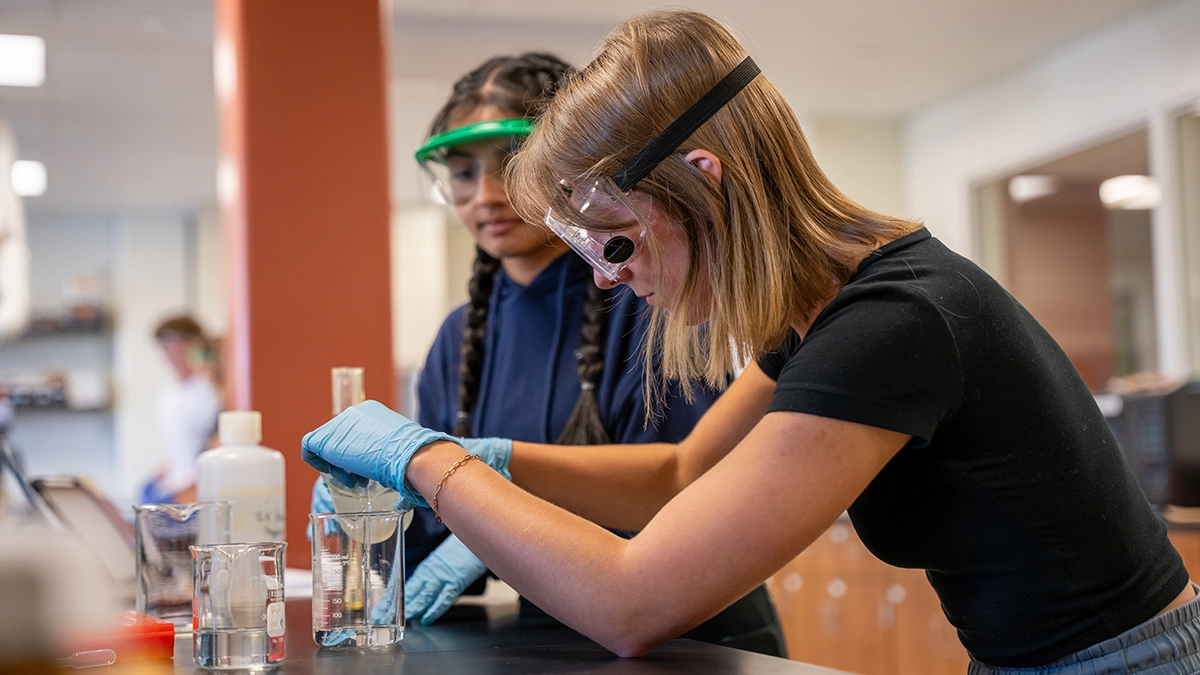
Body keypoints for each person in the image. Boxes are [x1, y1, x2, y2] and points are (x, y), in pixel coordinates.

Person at [303, 9, 1200, 673]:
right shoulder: (825, 309)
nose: (606, 276)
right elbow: (682, 472)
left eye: (615, 239)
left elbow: (631, 600)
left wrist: (430, 465)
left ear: (705, 181)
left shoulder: (894, 323)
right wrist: (490, 456)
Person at [310, 52, 787, 655]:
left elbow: (685, 488)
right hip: (558, 639)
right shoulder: (459, 340)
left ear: (565, 165)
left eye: (509, 163)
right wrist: (381, 507)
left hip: (694, 637)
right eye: (461, 173)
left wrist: (488, 505)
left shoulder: (658, 297)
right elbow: (432, 528)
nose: (484, 195)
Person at [141, 315, 220, 503]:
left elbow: (214, 445)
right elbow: (178, 448)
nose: (173, 352)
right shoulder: (167, 394)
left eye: (180, 344)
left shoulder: (209, 391)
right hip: (173, 486)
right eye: (166, 346)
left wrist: (189, 489)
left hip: (197, 492)